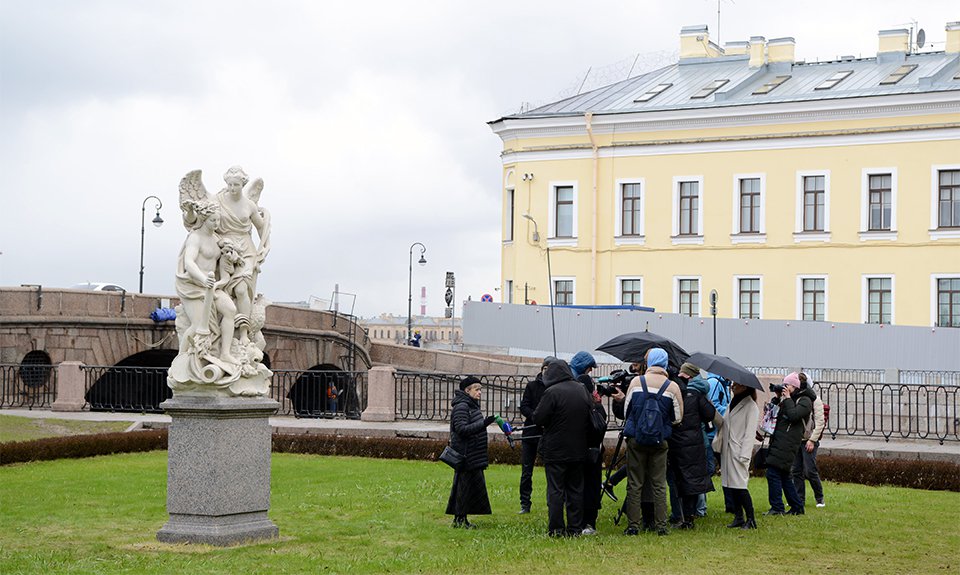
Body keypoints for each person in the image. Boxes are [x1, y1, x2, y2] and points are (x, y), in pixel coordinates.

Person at [622, 348, 683, 536]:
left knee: (635, 483)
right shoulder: (672, 387)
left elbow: (627, 412)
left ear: (648, 363)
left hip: (636, 439)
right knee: (659, 484)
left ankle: (633, 525)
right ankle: (661, 526)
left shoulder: (635, 382)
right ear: (665, 363)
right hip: (659, 441)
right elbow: (678, 418)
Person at [533, 359, 593, 537]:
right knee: (575, 490)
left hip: (556, 450)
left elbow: (538, 418)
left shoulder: (552, 392)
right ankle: (575, 528)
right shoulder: (581, 389)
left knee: (556, 490)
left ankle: (557, 529)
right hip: (578, 449)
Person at [174, 201, 238, 364]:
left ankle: (224, 354)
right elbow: (189, 262)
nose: (216, 224)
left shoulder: (216, 238)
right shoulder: (195, 238)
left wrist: (232, 257)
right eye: (213, 221)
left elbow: (225, 259)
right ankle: (181, 359)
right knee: (196, 325)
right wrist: (203, 280)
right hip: (193, 286)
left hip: (212, 287)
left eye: (218, 220)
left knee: (230, 310)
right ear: (203, 219)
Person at [669, 362, 723, 529]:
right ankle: (690, 518)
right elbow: (713, 417)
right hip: (695, 443)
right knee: (692, 482)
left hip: (676, 443)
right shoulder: (698, 395)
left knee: (678, 481)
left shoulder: (674, 391)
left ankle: (681, 517)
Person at [446, 376, 498, 528]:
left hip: (472, 454)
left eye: (480, 389)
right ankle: (460, 520)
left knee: (467, 488)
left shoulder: (470, 406)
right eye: (476, 389)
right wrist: (484, 423)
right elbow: (461, 429)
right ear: (466, 390)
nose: (480, 392)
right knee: (464, 488)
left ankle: (460, 519)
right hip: (466, 454)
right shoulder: (462, 406)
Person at [765, 372, 815, 516]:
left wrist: (787, 399)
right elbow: (773, 415)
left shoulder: (805, 400)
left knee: (773, 473)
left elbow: (793, 416)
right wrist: (777, 398)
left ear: (794, 386)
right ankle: (797, 507)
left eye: (787, 385)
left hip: (789, 442)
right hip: (780, 439)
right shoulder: (789, 399)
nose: (785, 387)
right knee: (784, 476)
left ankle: (777, 507)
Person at [715, 380, 760, 529]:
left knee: (740, 486)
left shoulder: (751, 407)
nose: (732, 386)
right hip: (728, 449)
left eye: (736, 384)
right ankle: (739, 517)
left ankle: (751, 518)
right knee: (731, 486)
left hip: (739, 451)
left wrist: (744, 456)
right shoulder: (733, 402)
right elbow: (725, 424)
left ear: (744, 386)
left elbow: (749, 434)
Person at [569, 351, 605, 535]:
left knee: (575, 486)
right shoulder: (594, 406)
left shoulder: (572, 398)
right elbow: (601, 426)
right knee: (590, 486)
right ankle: (589, 523)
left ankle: (575, 521)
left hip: (575, 449)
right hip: (592, 452)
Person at [517, 356, 553, 514]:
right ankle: (525, 503)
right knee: (526, 471)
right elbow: (524, 406)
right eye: (545, 369)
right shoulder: (532, 386)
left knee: (551, 470)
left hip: (548, 433)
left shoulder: (555, 388)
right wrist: (536, 417)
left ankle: (552, 501)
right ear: (541, 369)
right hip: (531, 431)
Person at [792, 372, 826, 508]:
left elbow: (820, 422)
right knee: (796, 470)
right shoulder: (794, 398)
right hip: (797, 439)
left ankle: (820, 498)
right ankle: (799, 499)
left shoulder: (815, 400)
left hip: (809, 439)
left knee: (810, 470)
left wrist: (812, 440)